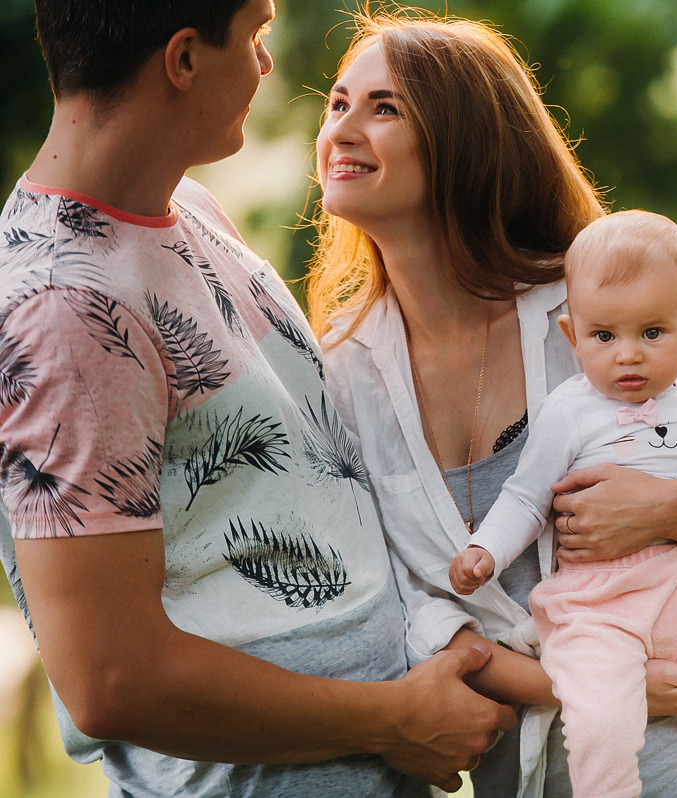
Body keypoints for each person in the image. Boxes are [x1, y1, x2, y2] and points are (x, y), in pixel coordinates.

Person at [0, 2, 515, 796]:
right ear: (183, 59)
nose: (268, 65)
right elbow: (111, 679)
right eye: (256, 35)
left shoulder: (189, 212)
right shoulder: (67, 309)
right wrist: (394, 719)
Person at [310, 10, 677, 798]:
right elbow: (411, 609)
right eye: (338, 104)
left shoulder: (591, 321)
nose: (343, 129)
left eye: (384, 107)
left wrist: (666, 507)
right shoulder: (340, 374)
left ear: (462, 141)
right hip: (525, 773)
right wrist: (583, 688)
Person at [450, 210, 677, 798]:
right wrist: (484, 552)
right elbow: (525, 497)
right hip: (600, 598)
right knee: (601, 717)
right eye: (605, 335)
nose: (628, 355)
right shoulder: (569, 411)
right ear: (573, 337)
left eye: (652, 333)